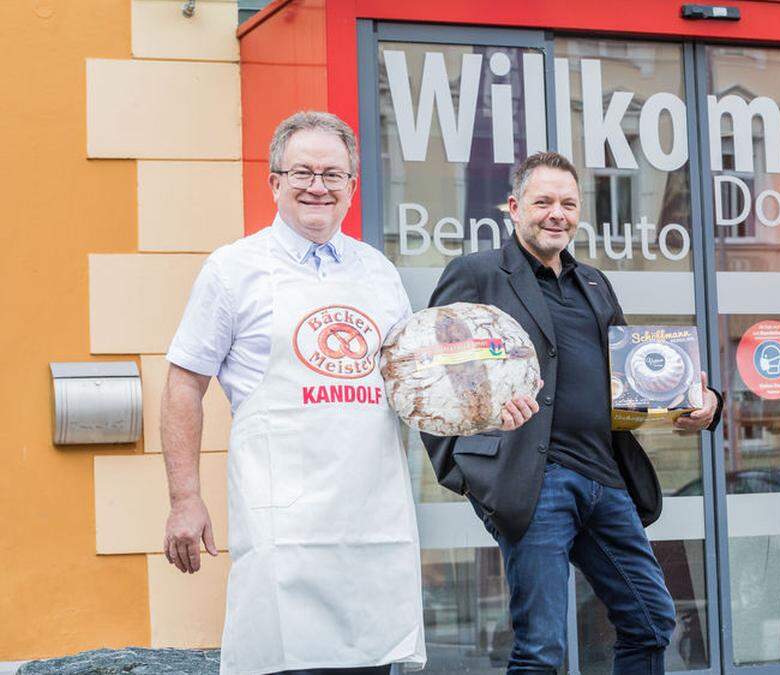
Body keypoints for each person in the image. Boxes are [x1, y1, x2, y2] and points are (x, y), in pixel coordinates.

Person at [420, 151, 723, 674]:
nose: (556, 213)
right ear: (514, 207)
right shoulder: (476, 275)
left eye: (568, 203)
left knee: (651, 620)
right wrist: (468, 469)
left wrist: (703, 401)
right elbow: (433, 377)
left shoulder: (595, 283)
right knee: (542, 649)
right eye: (543, 202)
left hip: (605, 477)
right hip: (534, 480)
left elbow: (635, 375)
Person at [160, 111, 426, 675]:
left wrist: (486, 407)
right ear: (274, 181)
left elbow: (413, 384)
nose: (317, 186)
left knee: (372, 664)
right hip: (284, 531)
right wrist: (185, 499)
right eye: (302, 171)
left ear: (352, 188)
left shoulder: (378, 272)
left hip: (371, 527)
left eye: (333, 175)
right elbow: (184, 382)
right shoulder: (233, 269)